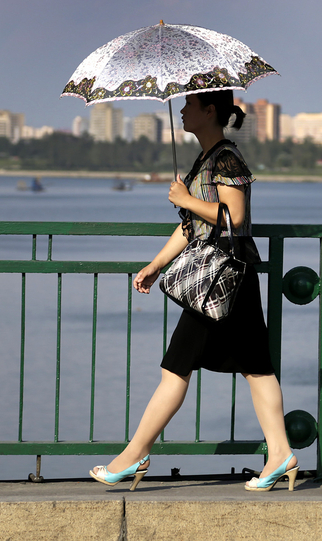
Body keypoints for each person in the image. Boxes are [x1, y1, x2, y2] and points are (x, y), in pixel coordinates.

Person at [89, 90, 298, 492]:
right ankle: (281, 455)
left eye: (189, 105)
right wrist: (155, 264)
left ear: (210, 111)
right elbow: (192, 227)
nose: (182, 110)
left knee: (177, 368)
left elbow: (234, 217)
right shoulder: (205, 159)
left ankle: (132, 457)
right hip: (227, 277)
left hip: (222, 277)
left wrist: (185, 198)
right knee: (256, 368)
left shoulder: (226, 158)